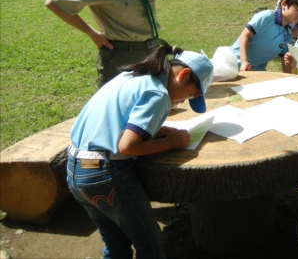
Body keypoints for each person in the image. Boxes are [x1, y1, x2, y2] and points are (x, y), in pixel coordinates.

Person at [67, 46, 214, 259]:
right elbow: (127, 146)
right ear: (183, 74)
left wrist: (154, 131)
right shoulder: (158, 93)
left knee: (116, 246)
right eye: (191, 94)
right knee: (150, 246)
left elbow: (118, 122)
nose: (183, 102)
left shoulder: (133, 75)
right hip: (106, 175)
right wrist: (171, 143)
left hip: (76, 170)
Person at [230, 0, 298, 72]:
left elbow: (284, 58)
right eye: (297, 9)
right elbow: (245, 35)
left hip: (257, 71)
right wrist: (244, 62)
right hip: (233, 63)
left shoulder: (288, 36)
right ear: (284, 4)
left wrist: (288, 77)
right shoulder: (267, 17)